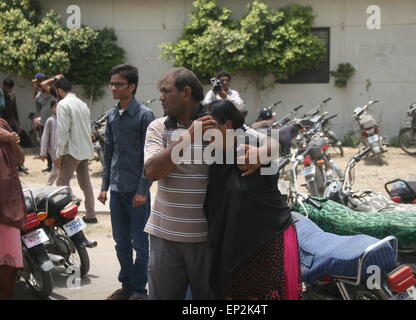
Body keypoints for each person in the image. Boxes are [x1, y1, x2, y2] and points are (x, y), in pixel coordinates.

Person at [143, 67, 274, 300]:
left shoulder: (216, 126)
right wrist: (188, 138)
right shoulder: (158, 127)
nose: (160, 97)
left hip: (208, 240)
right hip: (164, 238)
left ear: (185, 93)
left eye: (166, 91)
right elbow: (152, 171)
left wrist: (262, 153)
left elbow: (274, 144)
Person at [203, 99, 301, 300]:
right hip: (230, 247)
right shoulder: (217, 158)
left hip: (262, 244)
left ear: (227, 125)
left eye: (210, 125)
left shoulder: (251, 152)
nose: (204, 133)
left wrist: (264, 153)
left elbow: (265, 194)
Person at [98, 64, 155, 300]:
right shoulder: (111, 116)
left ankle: (140, 289)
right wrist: (103, 186)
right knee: (121, 242)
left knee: (140, 245)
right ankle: (127, 286)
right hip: (116, 190)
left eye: (118, 84)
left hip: (137, 192)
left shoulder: (144, 115)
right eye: (111, 83)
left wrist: (143, 189)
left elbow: (149, 156)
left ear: (131, 87)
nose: (113, 87)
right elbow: (108, 153)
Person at [54, 77, 97, 224]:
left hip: (71, 150)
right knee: (85, 183)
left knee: (62, 184)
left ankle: (65, 216)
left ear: (59, 90)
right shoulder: (82, 104)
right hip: (85, 149)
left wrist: (59, 153)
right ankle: (91, 214)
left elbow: (63, 131)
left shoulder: (62, 104)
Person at [0, 117, 26, 300]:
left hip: (9, 206)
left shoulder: (3, 125)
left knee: (7, 274)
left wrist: (9, 138)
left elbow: (19, 159)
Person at [39, 98, 59, 186]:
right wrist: (43, 152)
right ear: (51, 108)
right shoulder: (50, 120)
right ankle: (66, 191)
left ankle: (48, 185)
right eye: (56, 106)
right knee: (59, 170)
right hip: (54, 149)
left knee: (56, 169)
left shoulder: (65, 119)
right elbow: (45, 137)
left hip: (64, 148)